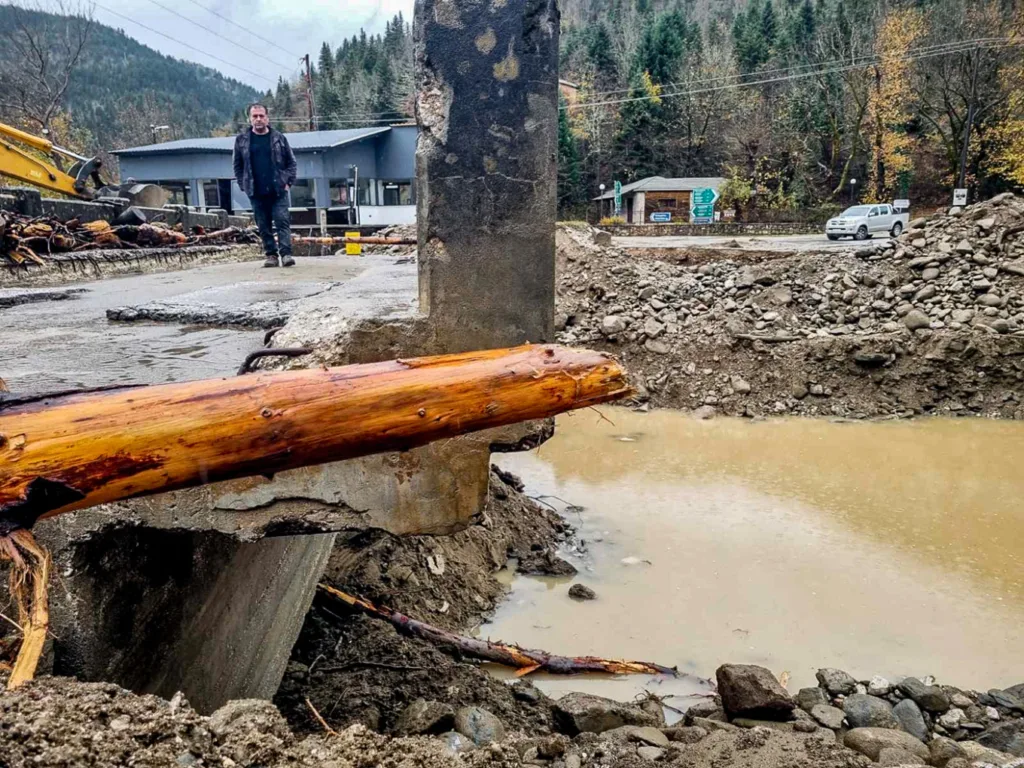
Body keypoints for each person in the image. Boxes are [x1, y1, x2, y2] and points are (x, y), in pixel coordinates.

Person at [232, 103, 297, 267]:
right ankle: (271, 256)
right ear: (250, 119)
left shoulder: (279, 138)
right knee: (263, 225)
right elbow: (237, 166)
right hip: (256, 191)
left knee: (282, 222)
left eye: (261, 116)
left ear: (267, 118)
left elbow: (291, 162)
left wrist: (288, 182)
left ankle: (286, 254)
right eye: (255, 116)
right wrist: (243, 185)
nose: (258, 119)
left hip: (278, 190)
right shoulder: (241, 140)